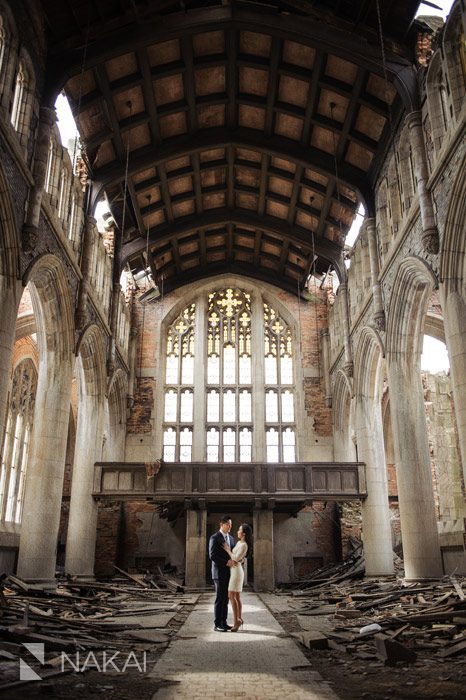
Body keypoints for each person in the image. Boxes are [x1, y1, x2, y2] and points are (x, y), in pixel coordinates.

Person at [208, 515, 237, 631]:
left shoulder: (231, 538)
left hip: (229, 574)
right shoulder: (215, 537)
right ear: (221, 525)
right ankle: (217, 624)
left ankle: (223, 622)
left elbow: (233, 553)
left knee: (226, 599)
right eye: (228, 524)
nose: (230, 527)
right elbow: (212, 555)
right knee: (220, 598)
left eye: (231, 525)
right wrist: (226, 563)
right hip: (218, 573)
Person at [222, 523, 252, 632]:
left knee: (231, 595)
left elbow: (235, 558)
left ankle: (236, 622)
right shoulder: (239, 542)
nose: (237, 531)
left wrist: (227, 549)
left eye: (239, 530)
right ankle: (239, 619)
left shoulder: (244, 545)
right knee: (237, 597)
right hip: (235, 569)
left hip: (237, 572)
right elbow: (238, 558)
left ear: (243, 533)